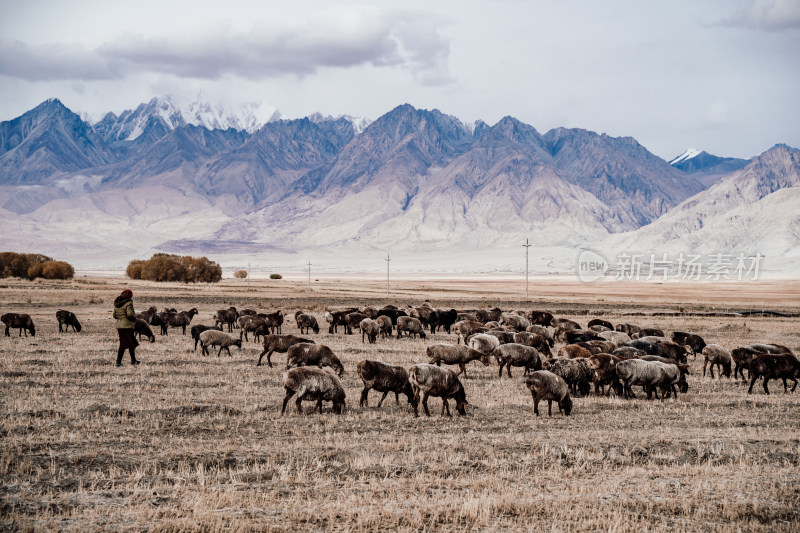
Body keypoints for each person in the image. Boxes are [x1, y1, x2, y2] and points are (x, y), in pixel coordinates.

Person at [113, 289, 139, 367]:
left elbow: (114, 315)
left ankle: (133, 360)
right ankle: (119, 362)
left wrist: (121, 317)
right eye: (131, 296)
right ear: (129, 296)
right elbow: (130, 315)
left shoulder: (117, 303)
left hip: (120, 326)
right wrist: (135, 318)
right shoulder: (128, 303)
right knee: (127, 344)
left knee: (129, 343)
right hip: (127, 326)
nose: (132, 297)